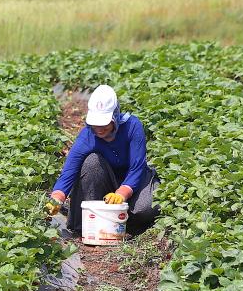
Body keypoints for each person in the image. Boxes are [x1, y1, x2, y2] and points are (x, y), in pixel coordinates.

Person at [45, 85, 158, 237]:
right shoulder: (87, 136)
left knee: (146, 209)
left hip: (134, 181)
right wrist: (57, 198)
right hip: (105, 182)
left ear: (115, 117)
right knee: (92, 162)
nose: (99, 129)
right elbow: (69, 171)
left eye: (104, 123)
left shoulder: (132, 126)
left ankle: (125, 224)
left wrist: (122, 193)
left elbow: (137, 167)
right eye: (95, 123)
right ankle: (87, 222)